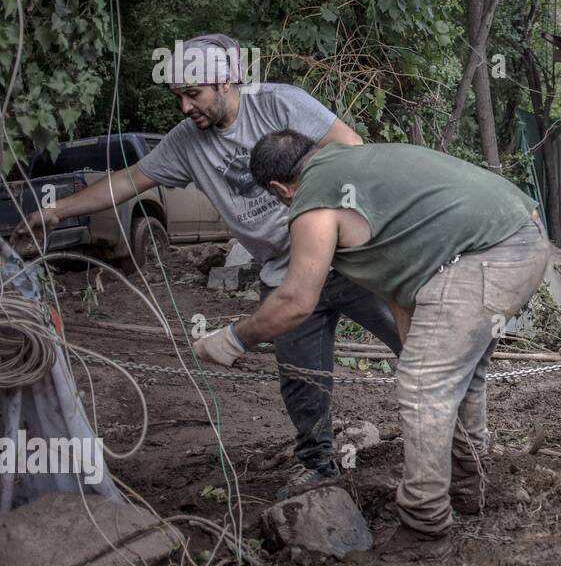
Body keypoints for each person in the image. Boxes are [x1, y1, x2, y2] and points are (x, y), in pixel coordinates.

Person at [9, 34, 401, 498]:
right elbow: (129, 180)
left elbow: (352, 146)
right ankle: (318, 464)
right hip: (283, 272)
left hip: (348, 255)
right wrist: (55, 211)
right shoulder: (183, 143)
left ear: (229, 82)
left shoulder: (280, 104)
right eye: (177, 95)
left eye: (193, 94)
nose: (184, 107)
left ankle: (456, 436)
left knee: (411, 339)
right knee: (300, 378)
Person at [194, 130, 549, 546]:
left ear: (279, 188)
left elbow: (295, 301)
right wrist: (412, 339)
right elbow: (399, 275)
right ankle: (470, 484)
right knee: (460, 376)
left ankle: (424, 524)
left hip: (489, 254)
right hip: (523, 233)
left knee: (423, 385)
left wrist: (234, 339)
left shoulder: (313, 197)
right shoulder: (355, 162)